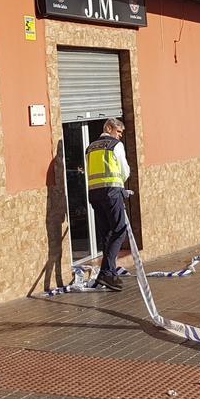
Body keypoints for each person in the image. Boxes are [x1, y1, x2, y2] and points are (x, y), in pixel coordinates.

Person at [85, 117, 133, 292]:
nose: (120, 136)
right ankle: (106, 272)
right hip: (112, 192)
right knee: (120, 230)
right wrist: (120, 185)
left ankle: (110, 275)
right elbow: (124, 171)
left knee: (107, 233)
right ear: (110, 128)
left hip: (94, 194)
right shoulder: (115, 145)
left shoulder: (90, 147)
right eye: (119, 132)